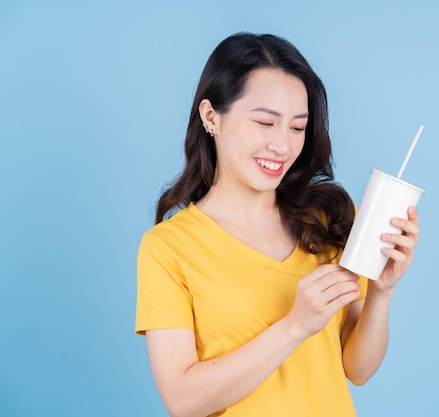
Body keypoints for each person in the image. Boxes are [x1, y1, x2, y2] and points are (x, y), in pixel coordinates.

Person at [135, 32, 420, 417]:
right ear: (210, 116)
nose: (283, 146)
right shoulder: (168, 248)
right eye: (266, 122)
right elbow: (183, 401)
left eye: (297, 127)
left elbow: (358, 369)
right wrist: (295, 326)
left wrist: (382, 293)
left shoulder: (326, 220)